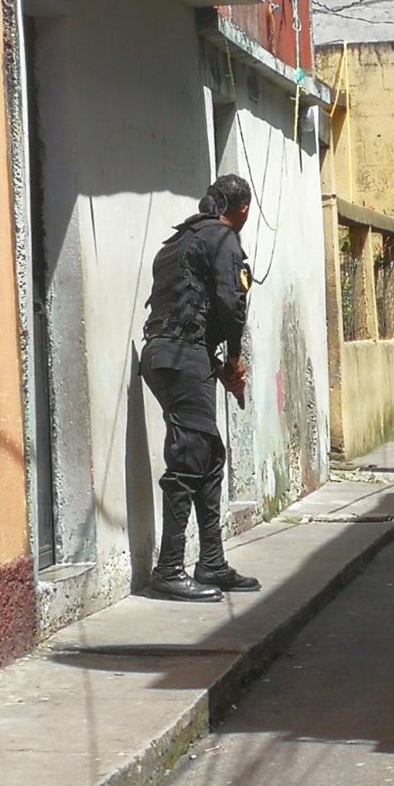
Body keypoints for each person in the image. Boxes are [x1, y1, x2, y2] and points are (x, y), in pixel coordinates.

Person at [139, 175, 261, 601]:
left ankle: (211, 562)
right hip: (182, 356)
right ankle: (169, 570)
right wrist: (234, 357)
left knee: (209, 454)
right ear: (242, 209)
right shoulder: (223, 237)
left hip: (163, 355)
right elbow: (231, 304)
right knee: (191, 456)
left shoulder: (176, 243)